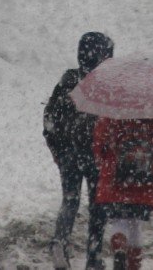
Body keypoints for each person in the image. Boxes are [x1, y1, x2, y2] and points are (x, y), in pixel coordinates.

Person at [44, 32, 116, 270]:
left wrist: (57, 149)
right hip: (97, 154)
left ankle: (60, 242)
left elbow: (49, 119)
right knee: (98, 206)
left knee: (70, 200)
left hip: (68, 154)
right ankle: (93, 258)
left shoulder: (67, 82)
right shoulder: (104, 86)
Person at [93, 116, 153, 270]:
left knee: (118, 220)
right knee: (135, 224)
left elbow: (99, 142)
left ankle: (119, 248)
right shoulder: (152, 111)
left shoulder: (112, 110)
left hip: (116, 178)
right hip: (144, 177)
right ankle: (134, 265)